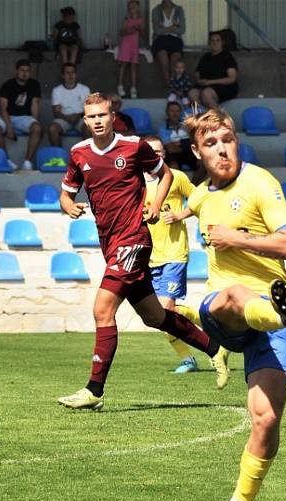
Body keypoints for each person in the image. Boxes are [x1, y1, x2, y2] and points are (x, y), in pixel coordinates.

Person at [183, 108, 286, 501]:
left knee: (266, 418)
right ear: (197, 151)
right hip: (223, 309)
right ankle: (282, 311)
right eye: (211, 143)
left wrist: (246, 244)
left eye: (227, 139)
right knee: (237, 296)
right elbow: (176, 199)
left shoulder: (259, 182)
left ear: (236, 140)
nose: (221, 148)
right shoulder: (201, 198)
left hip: (268, 315)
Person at [56, 93, 225, 410]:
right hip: (110, 243)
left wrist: (156, 205)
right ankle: (215, 348)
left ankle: (94, 390)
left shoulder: (133, 146)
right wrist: (70, 207)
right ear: (85, 118)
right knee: (154, 316)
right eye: (91, 116)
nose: (97, 121)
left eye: (102, 115)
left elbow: (166, 174)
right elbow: (65, 194)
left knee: (102, 309)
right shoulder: (78, 153)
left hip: (133, 239)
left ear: (111, 115)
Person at [140, 135, 199, 373]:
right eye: (152, 152)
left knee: (164, 310)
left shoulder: (176, 177)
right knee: (159, 315)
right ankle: (206, 321)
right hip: (149, 256)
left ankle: (188, 358)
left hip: (175, 252)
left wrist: (178, 215)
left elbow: (200, 201)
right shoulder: (134, 182)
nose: (158, 156)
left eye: (161, 152)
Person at [0, 59, 42, 171]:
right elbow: (3, 108)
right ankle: (6, 161)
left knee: (37, 128)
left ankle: (27, 162)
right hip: (7, 116)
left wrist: (36, 122)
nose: (24, 73)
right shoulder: (7, 85)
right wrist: (9, 127)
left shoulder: (34, 84)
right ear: (16, 71)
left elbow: (35, 105)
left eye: (27, 70)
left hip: (24, 117)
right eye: (22, 70)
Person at [188, 31, 239, 110]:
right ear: (210, 43)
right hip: (206, 85)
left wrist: (210, 82)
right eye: (212, 40)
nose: (215, 43)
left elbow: (232, 78)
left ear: (222, 42)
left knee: (206, 94)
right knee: (192, 93)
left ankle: (221, 120)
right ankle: (202, 118)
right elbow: (197, 72)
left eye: (218, 40)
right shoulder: (205, 57)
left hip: (225, 86)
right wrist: (198, 80)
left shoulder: (227, 56)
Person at [49, 62, 91, 147]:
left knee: (89, 127)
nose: (70, 75)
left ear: (76, 74)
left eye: (72, 72)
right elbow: (56, 112)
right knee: (52, 129)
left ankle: (87, 157)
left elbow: (89, 110)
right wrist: (67, 117)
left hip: (81, 118)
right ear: (63, 75)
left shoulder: (85, 89)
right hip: (63, 118)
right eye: (67, 73)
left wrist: (77, 116)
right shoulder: (57, 90)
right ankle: (59, 157)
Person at [150, 0, 186, 86]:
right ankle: (170, 86)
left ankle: (174, 86)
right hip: (160, 39)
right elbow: (157, 31)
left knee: (175, 65)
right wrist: (173, 27)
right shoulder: (156, 10)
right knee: (164, 64)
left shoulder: (179, 9)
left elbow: (182, 30)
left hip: (175, 39)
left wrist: (164, 28)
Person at [116, 0, 143, 99]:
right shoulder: (127, 19)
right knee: (123, 65)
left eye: (134, 7)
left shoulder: (140, 20)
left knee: (133, 67)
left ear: (138, 8)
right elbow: (121, 32)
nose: (132, 10)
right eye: (130, 8)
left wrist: (139, 28)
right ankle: (120, 85)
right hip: (126, 44)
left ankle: (133, 88)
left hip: (134, 46)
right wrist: (130, 30)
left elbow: (142, 34)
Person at [158, 101, 196, 170]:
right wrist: (187, 144)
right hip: (173, 156)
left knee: (202, 163)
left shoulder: (187, 125)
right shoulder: (163, 127)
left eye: (177, 111)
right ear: (167, 112)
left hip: (190, 154)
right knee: (173, 165)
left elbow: (195, 142)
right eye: (172, 111)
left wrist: (179, 144)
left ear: (181, 112)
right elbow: (171, 149)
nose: (175, 114)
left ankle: (194, 181)